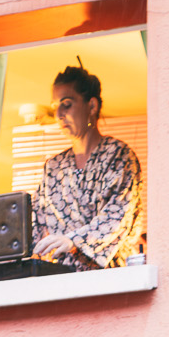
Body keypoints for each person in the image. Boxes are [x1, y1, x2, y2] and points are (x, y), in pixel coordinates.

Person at [32, 61, 143, 270]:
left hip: (112, 276)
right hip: (63, 278)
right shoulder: (53, 168)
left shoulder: (119, 156)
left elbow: (118, 216)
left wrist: (74, 241)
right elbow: (34, 223)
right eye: (55, 107)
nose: (59, 114)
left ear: (92, 106)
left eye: (67, 104)